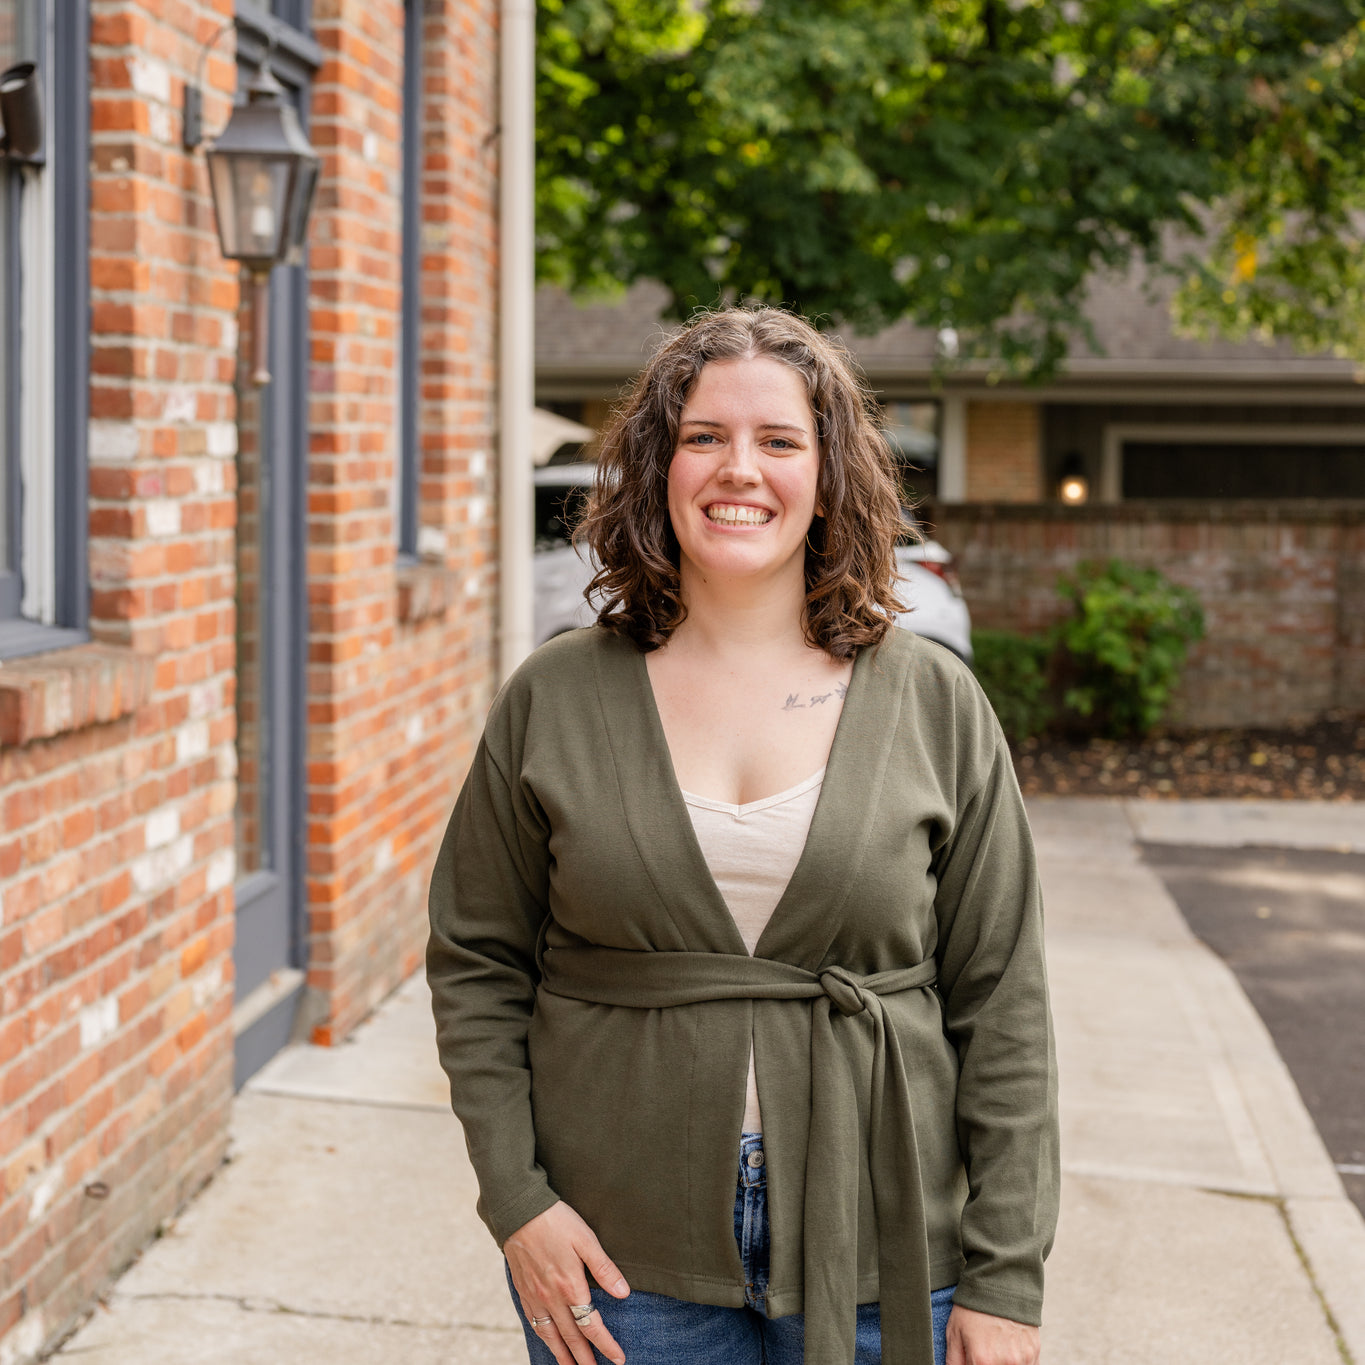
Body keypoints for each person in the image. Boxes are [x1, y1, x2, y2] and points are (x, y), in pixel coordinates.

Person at [427, 307, 1059, 1365]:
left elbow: (1006, 1005)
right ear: (657, 465)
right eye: (704, 436)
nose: (740, 470)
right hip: (618, 1265)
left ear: (829, 475)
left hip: (886, 1254)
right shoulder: (558, 695)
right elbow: (476, 961)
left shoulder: (932, 702)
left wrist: (1007, 1279)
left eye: (779, 440)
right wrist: (518, 1205)